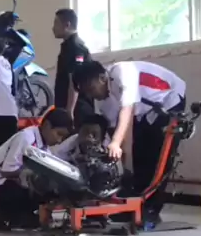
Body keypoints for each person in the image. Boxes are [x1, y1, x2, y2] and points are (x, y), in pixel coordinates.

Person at [73, 59, 187, 219]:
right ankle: (135, 206)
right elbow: (116, 130)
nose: (94, 96)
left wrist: (115, 143)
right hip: (146, 111)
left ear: (102, 78)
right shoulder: (106, 101)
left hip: (169, 99)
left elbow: (127, 109)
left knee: (159, 156)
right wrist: (117, 163)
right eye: (88, 94)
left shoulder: (123, 73)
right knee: (139, 154)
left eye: (92, 89)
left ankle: (151, 210)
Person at [0, 107, 73, 229]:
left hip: (14, 182)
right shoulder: (26, 138)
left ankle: (18, 216)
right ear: (46, 125)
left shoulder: (44, 146)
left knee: (48, 191)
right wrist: (32, 175)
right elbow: (7, 171)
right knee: (35, 185)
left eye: (62, 138)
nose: (59, 140)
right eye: (59, 134)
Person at [52, 8, 92, 125]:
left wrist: (70, 111)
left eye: (56, 23)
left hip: (78, 110)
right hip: (67, 107)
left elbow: (75, 81)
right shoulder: (67, 46)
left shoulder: (76, 47)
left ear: (67, 25)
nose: (53, 28)